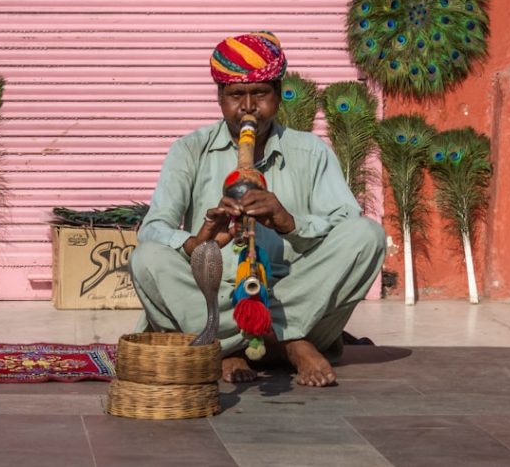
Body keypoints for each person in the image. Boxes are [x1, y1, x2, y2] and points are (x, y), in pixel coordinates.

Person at [129, 31, 385, 386]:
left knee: (367, 235)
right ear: (220, 100)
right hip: (215, 293)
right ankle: (288, 341)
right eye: (236, 96)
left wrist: (289, 223)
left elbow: (345, 221)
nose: (248, 107)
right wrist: (197, 242)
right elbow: (154, 227)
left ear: (278, 97)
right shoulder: (189, 150)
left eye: (260, 94)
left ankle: (231, 344)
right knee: (146, 258)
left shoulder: (310, 150)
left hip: (291, 290)